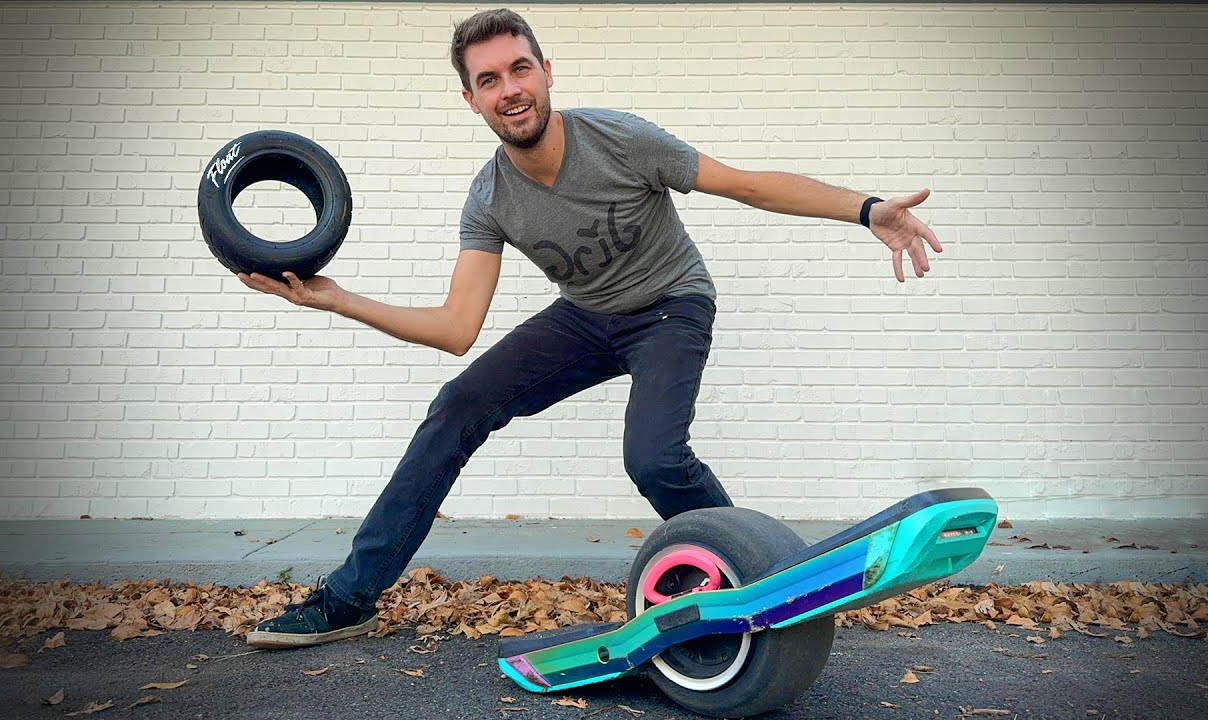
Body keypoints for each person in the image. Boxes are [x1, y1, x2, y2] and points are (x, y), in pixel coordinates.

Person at [239, 8, 941, 648]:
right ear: (471, 100)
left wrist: (866, 208)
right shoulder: (488, 199)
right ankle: (350, 600)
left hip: (671, 304)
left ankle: (750, 571)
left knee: (655, 460)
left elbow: (748, 184)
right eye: (489, 80)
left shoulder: (622, 139)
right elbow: (457, 328)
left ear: (547, 72)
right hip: (586, 318)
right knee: (458, 404)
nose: (509, 89)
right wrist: (338, 300)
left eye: (520, 69)